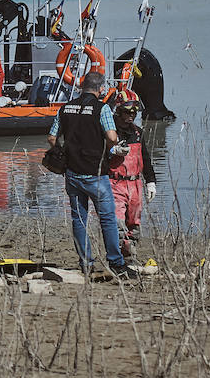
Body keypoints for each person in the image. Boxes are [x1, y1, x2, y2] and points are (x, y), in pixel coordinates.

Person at [47, 71, 135, 278]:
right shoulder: (102, 108)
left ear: (81, 86)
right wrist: (111, 147)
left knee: (79, 219)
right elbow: (112, 137)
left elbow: (51, 138)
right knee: (107, 219)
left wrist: (65, 151)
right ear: (101, 89)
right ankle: (116, 262)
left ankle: (86, 263)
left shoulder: (65, 108)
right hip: (96, 174)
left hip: (72, 173)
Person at [106, 89, 157, 262]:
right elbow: (96, 156)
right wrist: (112, 151)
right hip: (114, 183)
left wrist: (151, 182)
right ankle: (118, 259)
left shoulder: (138, 132)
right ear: (118, 111)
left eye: (134, 112)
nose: (131, 116)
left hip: (136, 185)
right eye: (127, 112)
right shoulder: (109, 132)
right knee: (117, 224)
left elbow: (146, 158)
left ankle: (130, 256)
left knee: (134, 225)